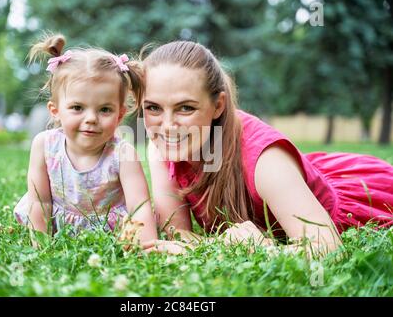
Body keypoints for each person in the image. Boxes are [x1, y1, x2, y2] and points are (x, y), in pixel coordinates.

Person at [139, 41, 393, 256]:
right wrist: (215, 245)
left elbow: (328, 249)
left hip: (359, 197)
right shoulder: (161, 144)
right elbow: (178, 232)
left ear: (218, 106)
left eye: (186, 108)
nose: (168, 125)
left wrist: (264, 249)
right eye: (153, 108)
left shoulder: (265, 161)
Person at [13, 34, 157, 248]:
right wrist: (40, 245)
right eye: (77, 108)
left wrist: (149, 245)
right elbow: (40, 201)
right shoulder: (45, 145)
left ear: (119, 115)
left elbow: (139, 206)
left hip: (109, 232)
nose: (91, 118)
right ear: (55, 110)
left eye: (105, 110)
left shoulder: (122, 153)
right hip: (59, 223)